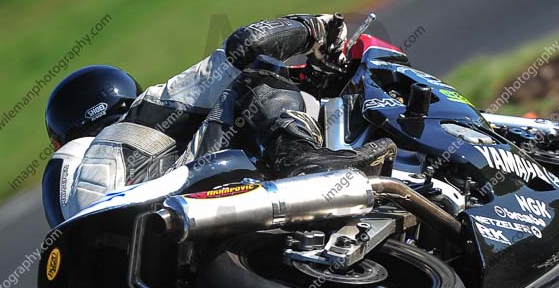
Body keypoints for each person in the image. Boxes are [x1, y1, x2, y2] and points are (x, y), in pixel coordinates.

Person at [42, 14, 393, 227]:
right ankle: (303, 159)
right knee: (254, 79)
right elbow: (245, 47)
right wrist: (316, 28)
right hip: (151, 204)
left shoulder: (63, 179)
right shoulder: (145, 114)